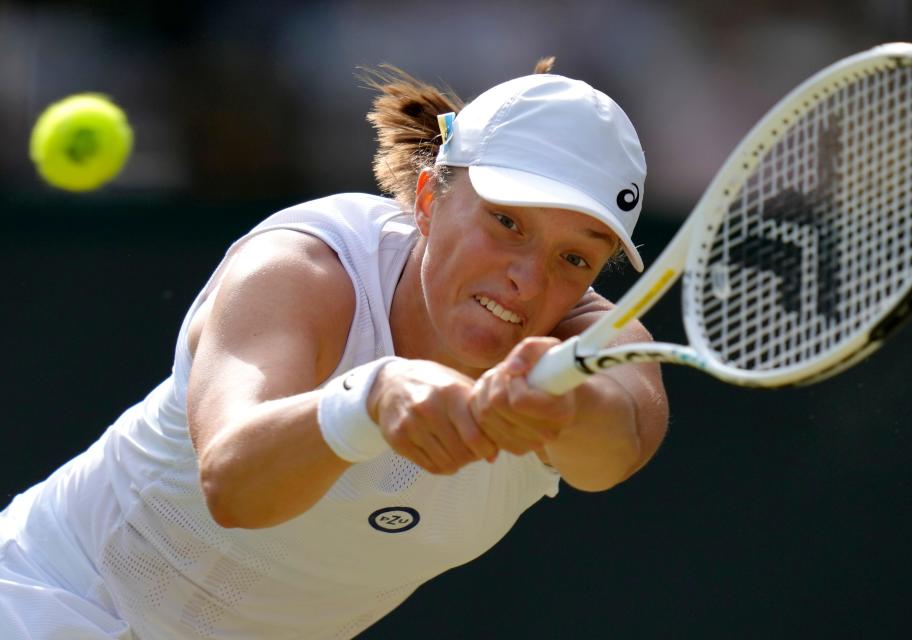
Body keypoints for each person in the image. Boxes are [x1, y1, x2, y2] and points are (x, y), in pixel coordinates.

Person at [0, 58, 668, 639]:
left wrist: (556, 407)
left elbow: (615, 450)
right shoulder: (307, 268)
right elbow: (234, 485)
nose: (528, 278)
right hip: (47, 602)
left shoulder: (592, 348)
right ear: (432, 199)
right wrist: (370, 399)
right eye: (506, 222)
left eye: (574, 257)